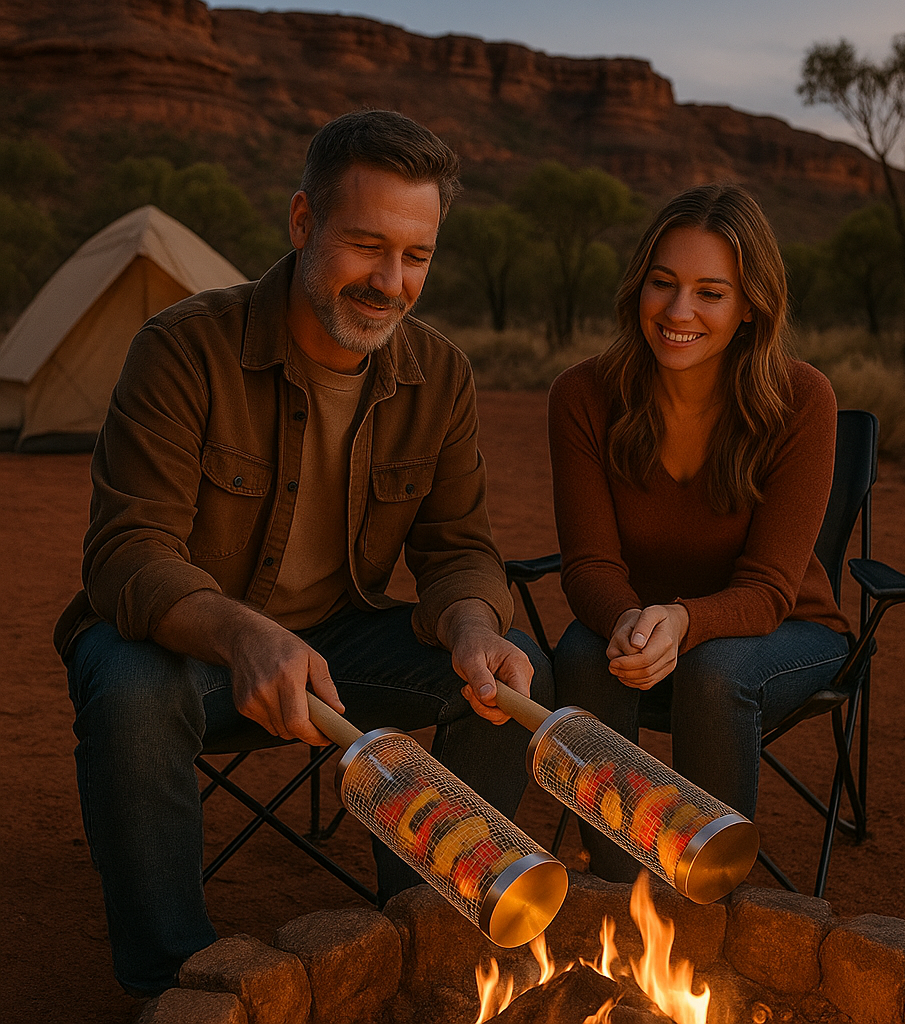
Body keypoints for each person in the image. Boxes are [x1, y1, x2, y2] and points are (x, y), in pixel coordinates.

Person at [54, 109, 552, 997]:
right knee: (128, 689)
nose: (392, 281)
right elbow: (128, 553)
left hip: (339, 641)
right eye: (366, 245)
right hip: (184, 652)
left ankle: (428, 944)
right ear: (300, 222)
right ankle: (180, 988)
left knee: (505, 683)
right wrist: (242, 634)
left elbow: (461, 549)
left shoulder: (441, 376)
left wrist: (474, 622)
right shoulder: (183, 348)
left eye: (417, 257)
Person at [547, 184, 851, 882]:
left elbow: (771, 588)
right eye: (663, 283)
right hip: (645, 626)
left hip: (786, 631)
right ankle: (616, 901)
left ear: (750, 307)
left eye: (710, 292)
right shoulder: (584, 395)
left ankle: (708, 902)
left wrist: (683, 623)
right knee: (585, 653)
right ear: (638, 289)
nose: (679, 312)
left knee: (714, 675)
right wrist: (629, 618)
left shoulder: (801, 399)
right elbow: (590, 562)